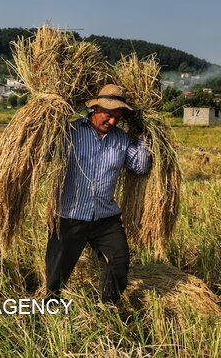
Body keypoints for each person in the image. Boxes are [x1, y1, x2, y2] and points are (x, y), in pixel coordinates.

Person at [45, 84, 152, 303]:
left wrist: (142, 135)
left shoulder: (121, 139)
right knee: (57, 270)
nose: (112, 122)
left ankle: (109, 304)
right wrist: (47, 123)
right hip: (70, 215)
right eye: (108, 115)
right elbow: (45, 155)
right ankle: (50, 306)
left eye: (117, 118)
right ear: (95, 109)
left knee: (119, 261)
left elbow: (141, 167)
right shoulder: (69, 132)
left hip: (106, 218)